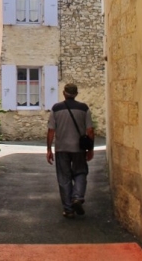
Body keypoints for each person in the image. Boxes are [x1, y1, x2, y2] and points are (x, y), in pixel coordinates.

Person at [46, 83, 95, 218]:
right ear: (76, 94)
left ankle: (68, 209)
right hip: (79, 148)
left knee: (64, 177)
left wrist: (49, 149)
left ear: (64, 93)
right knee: (80, 172)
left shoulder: (56, 109)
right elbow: (90, 130)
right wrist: (90, 149)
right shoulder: (84, 108)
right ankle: (77, 197)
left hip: (62, 148)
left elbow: (51, 130)